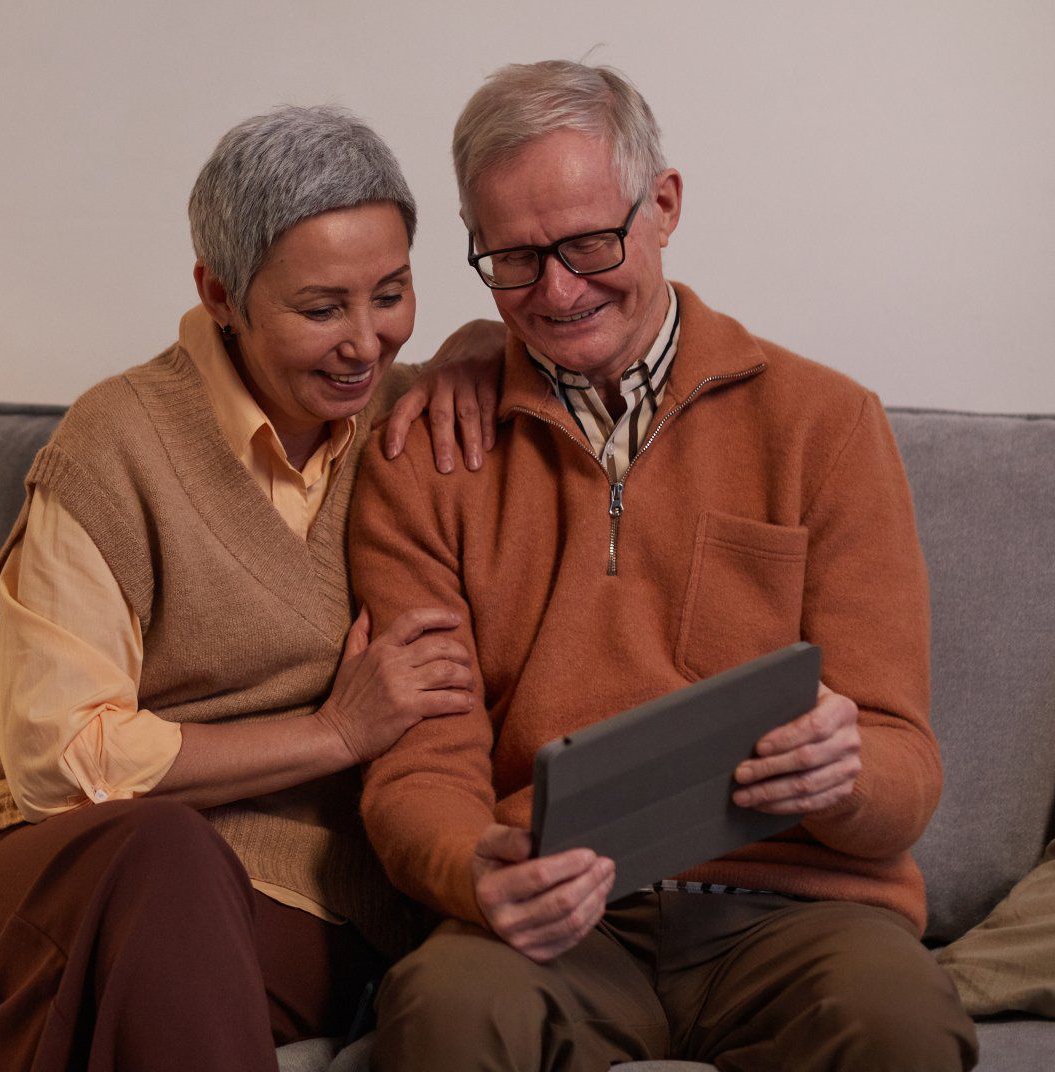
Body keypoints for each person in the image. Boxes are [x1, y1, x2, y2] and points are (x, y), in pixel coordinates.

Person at [349, 61, 980, 1071]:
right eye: (511, 258)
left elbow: (903, 760)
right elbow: (419, 760)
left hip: (792, 913)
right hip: (556, 918)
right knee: (443, 1010)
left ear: (665, 205)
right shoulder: (427, 450)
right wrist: (474, 868)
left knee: (900, 1027)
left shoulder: (823, 424)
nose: (555, 291)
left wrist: (845, 773)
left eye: (589, 242)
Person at [0, 105, 505, 1072]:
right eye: (322, 309)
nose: (366, 342)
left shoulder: (417, 417)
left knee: (161, 945)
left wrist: (489, 343)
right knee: (166, 855)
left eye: (391, 293)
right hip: (49, 863)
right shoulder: (116, 444)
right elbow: (59, 759)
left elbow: (574, 343)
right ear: (220, 293)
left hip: (302, 898)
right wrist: (334, 734)